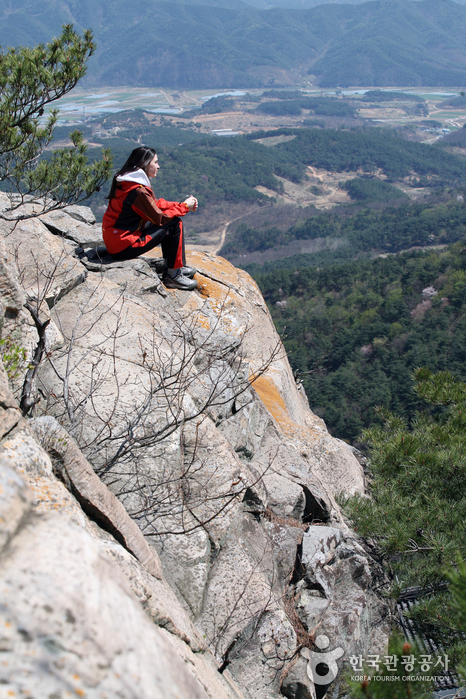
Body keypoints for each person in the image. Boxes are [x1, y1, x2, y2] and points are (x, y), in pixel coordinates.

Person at [102, 146, 198, 290]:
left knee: (172, 222)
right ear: (145, 164)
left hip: (117, 242)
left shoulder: (128, 183)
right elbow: (160, 218)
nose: (158, 166)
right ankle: (173, 275)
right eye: (156, 162)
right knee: (174, 224)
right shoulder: (137, 190)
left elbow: (155, 204)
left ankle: (175, 267)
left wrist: (181, 204)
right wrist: (184, 207)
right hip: (124, 245)